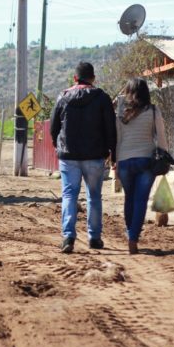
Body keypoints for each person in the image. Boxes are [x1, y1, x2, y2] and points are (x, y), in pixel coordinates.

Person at [50, 62, 116, 254]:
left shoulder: (63, 97)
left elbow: (54, 127)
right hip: (95, 156)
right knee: (94, 197)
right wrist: (113, 152)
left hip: (68, 156)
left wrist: (58, 145)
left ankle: (68, 236)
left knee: (69, 194)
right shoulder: (102, 98)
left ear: (74, 78)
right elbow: (110, 127)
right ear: (93, 78)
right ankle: (94, 238)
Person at [115, 78, 168, 255]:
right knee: (140, 201)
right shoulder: (153, 111)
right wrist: (163, 156)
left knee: (129, 198)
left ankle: (130, 232)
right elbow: (161, 137)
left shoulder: (121, 113)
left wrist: (115, 161)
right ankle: (133, 237)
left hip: (124, 160)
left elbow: (118, 138)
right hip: (146, 160)